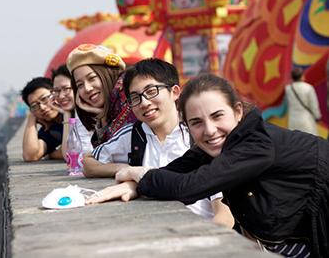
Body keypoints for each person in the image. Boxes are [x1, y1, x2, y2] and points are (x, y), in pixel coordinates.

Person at [88, 73, 328, 257]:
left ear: (237, 112)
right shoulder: (219, 146)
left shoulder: (256, 143)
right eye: (196, 122)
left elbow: (189, 186)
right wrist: (135, 185)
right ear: (187, 126)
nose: (210, 130)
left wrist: (138, 173)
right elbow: (175, 170)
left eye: (217, 116)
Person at [84, 58, 234, 228]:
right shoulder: (133, 135)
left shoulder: (200, 136)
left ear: (175, 92)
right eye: (135, 97)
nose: (145, 103)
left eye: (152, 91)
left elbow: (225, 215)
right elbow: (88, 161)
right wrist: (126, 170)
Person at [66, 43, 137, 147]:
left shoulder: (126, 88)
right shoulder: (111, 106)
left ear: (107, 74)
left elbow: (117, 148)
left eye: (92, 78)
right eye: (80, 85)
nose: (87, 88)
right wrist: (102, 116)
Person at [50, 64, 93, 155]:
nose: (61, 96)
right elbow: (69, 155)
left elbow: (82, 154)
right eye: (57, 91)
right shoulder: (77, 112)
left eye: (66, 89)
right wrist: (66, 115)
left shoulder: (91, 112)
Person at [20, 77, 63, 162]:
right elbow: (30, 155)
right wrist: (31, 118)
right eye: (35, 106)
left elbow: (78, 149)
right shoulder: (50, 131)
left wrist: (52, 154)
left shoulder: (77, 114)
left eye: (44, 99)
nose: (42, 107)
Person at [285, 67, 321, 135]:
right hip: (306, 120)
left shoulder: (288, 89)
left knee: (295, 141)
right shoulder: (308, 88)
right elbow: (314, 105)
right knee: (309, 141)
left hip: (293, 120)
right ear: (302, 76)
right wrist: (317, 117)